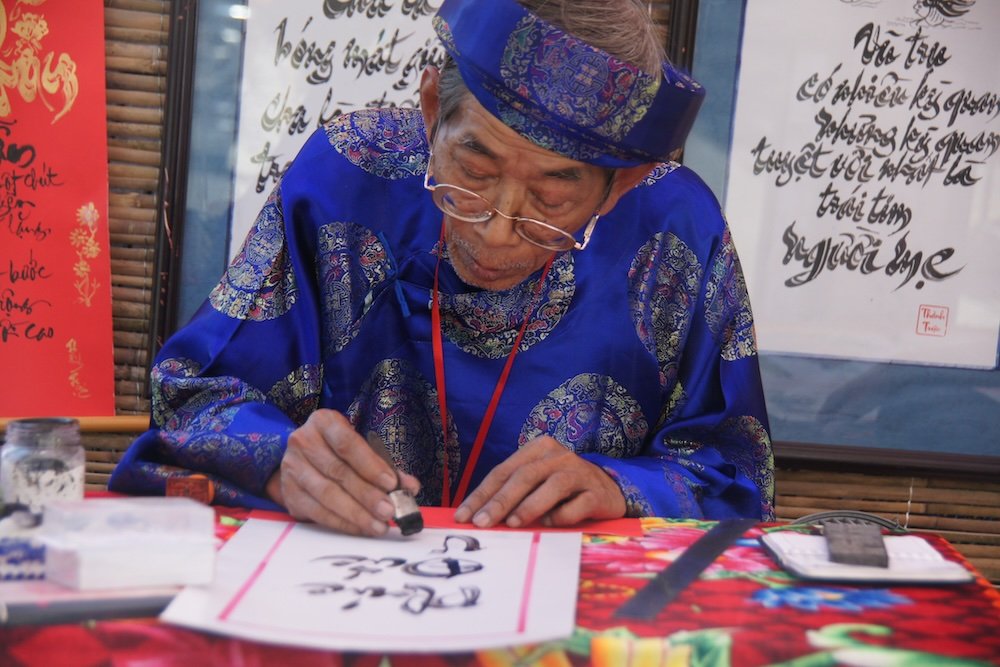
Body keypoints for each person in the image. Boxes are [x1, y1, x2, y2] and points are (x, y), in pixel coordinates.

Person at [110, 0, 774, 536]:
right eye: (474, 170)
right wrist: (277, 457)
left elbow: (737, 471)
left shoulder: (675, 231)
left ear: (622, 182)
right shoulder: (347, 175)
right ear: (432, 111)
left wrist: (621, 486)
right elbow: (188, 399)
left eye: (552, 196)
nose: (496, 226)